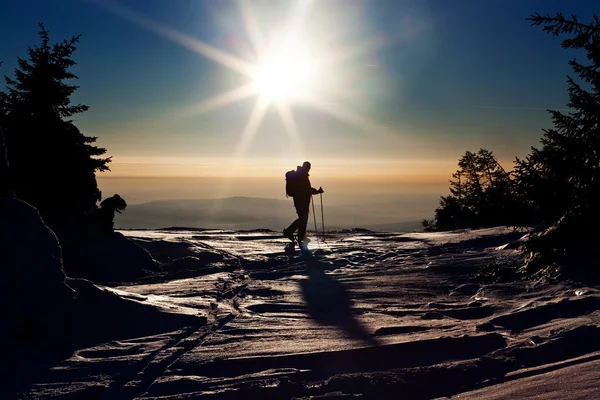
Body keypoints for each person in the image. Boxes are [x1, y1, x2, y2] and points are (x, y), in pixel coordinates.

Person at [283, 161, 323, 244]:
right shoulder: (301, 176)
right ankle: (289, 231)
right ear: (306, 167)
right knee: (303, 218)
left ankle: (301, 236)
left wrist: (316, 191)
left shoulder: (302, 175)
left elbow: (306, 189)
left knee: (304, 218)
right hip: (301, 201)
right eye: (308, 167)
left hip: (302, 200)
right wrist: (317, 191)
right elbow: (306, 189)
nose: (309, 169)